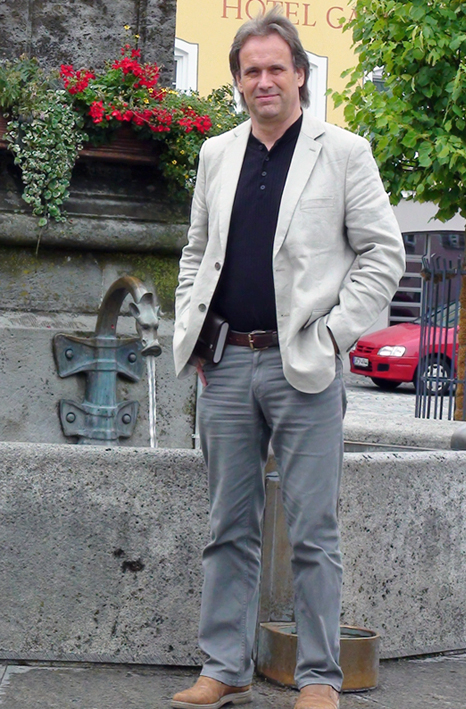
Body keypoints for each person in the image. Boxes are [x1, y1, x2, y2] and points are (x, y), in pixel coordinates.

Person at [171, 10, 405, 709]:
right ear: (238, 81)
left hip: (303, 365)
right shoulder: (216, 154)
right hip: (225, 363)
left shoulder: (344, 152)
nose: (264, 80)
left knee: (312, 532)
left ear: (300, 74)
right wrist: (192, 329)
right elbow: (195, 252)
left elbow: (383, 253)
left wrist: (333, 335)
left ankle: (319, 677)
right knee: (228, 528)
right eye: (251, 71)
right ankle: (225, 667)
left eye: (277, 68)